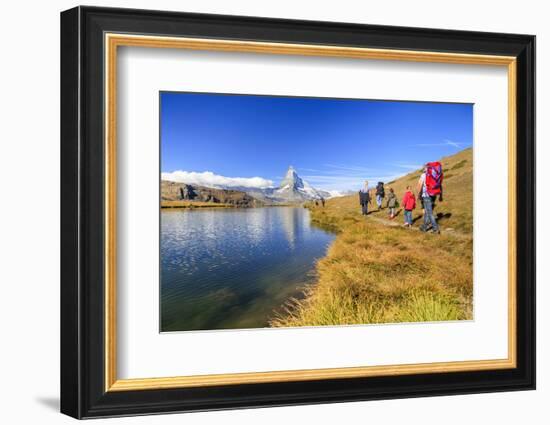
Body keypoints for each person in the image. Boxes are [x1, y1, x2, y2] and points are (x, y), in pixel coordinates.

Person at [417, 164, 443, 234]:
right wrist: (440, 195)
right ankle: (424, 227)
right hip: (434, 195)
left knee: (430, 213)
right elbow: (440, 185)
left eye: (423, 168)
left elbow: (420, 184)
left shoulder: (424, 175)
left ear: (424, 168)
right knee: (427, 212)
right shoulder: (435, 174)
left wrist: (418, 194)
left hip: (426, 195)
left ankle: (435, 229)